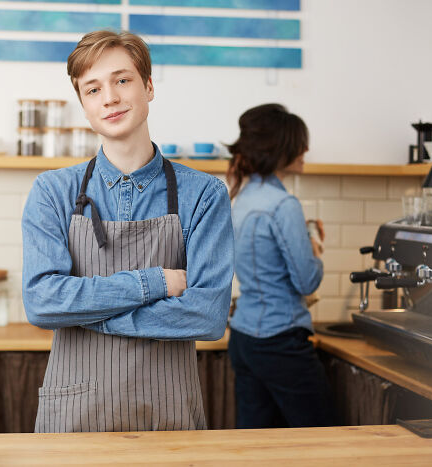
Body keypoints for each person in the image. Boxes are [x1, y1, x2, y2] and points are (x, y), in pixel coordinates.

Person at [21, 30, 234, 433]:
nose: (110, 98)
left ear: (149, 86)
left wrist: (89, 316)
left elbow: (207, 316)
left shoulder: (204, 194)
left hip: (168, 417)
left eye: (122, 80)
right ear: (83, 105)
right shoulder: (52, 191)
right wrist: (152, 282)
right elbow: (43, 302)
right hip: (73, 417)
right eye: (93, 89)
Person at [226, 103, 336, 428]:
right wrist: (316, 251)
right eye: (299, 143)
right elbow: (305, 282)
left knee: (258, 445)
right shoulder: (283, 204)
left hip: (244, 338)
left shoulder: (242, 200)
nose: (306, 150)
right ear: (280, 148)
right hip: (279, 339)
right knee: (325, 438)